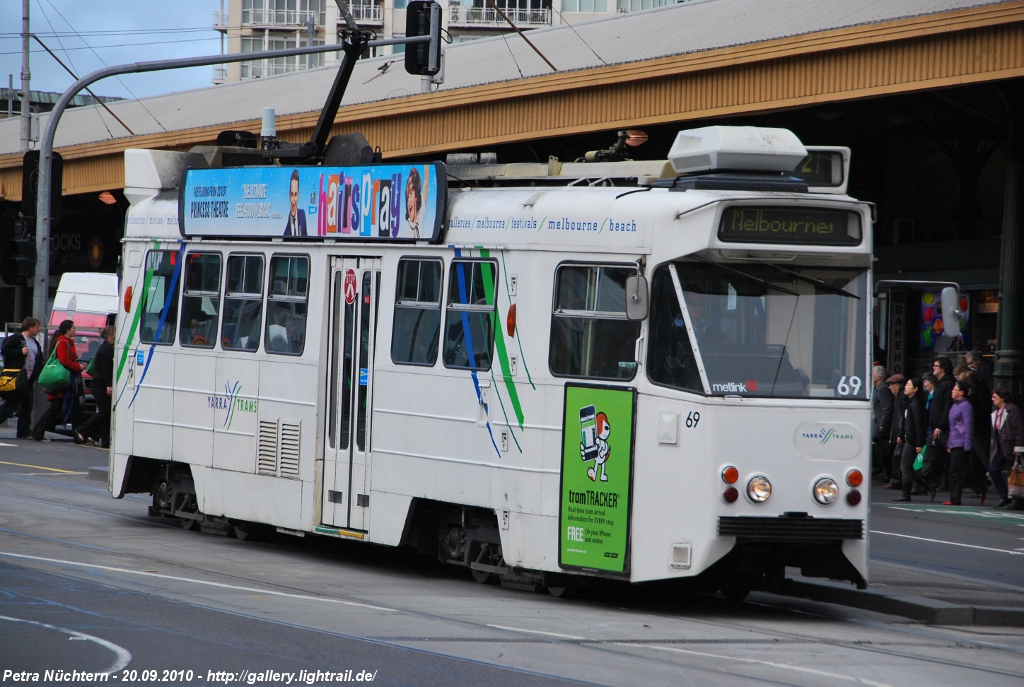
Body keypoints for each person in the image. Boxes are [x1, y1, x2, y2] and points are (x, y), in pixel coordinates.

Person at [31, 320, 86, 442]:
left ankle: (78, 435)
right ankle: (37, 432)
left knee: (70, 408)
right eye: (74, 328)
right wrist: (78, 367)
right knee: (57, 408)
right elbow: (64, 361)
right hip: (64, 381)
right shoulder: (63, 342)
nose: (75, 330)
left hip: (66, 380)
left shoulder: (65, 342)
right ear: (67, 330)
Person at [944, 380, 986, 506]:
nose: (952, 391)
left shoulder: (966, 406)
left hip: (962, 443)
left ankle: (955, 498)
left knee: (955, 471)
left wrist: (967, 445)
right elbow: (952, 427)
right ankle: (981, 487)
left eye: (955, 389)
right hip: (954, 441)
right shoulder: (955, 405)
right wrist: (949, 444)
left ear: (961, 392)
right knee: (963, 470)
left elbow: (968, 426)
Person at [0, 317, 42, 438]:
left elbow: (38, 358)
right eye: (37, 326)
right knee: (13, 403)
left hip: (28, 379)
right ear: (30, 327)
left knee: (27, 404)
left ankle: (23, 430)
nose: (38, 329)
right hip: (16, 377)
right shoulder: (16, 339)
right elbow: (5, 350)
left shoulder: (34, 342)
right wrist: (20, 352)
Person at [75, 325, 114, 448]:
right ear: (110, 336)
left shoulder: (104, 348)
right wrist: (109, 385)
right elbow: (106, 369)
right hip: (101, 384)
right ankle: (82, 431)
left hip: (99, 383)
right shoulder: (107, 349)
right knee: (105, 412)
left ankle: (104, 440)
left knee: (107, 413)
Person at [990, 388, 1024, 508]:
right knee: (993, 469)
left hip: (1010, 447)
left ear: (1002, 398)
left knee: (1014, 473)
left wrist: (1019, 447)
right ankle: (1004, 496)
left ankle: (1018, 500)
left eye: (995, 397)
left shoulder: (1012, 410)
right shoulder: (997, 411)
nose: (992, 399)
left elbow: (1018, 429)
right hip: (1000, 447)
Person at [895, 377, 927, 502]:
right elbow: (906, 422)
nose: (905, 387)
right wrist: (901, 434)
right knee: (910, 467)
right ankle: (926, 484)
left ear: (915, 389)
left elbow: (919, 425)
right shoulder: (908, 403)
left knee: (905, 466)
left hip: (913, 441)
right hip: (909, 438)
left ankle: (905, 493)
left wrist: (919, 443)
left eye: (909, 385)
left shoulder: (916, 404)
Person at [871, 365, 894, 481]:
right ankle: (884, 471)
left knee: (883, 449)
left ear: (878, 376)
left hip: (882, 424)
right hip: (878, 422)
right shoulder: (878, 388)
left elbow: (887, 407)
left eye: (873, 373)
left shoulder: (883, 388)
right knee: (878, 447)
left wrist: (883, 424)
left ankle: (888, 473)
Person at [885, 373, 906, 490]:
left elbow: (901, 416)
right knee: (896, 456)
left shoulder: (902, 397)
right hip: (897, 431)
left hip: (899, 432)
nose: (889, 387)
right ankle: (896, 479)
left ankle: (898, 480)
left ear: (897, 385)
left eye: (891, 385)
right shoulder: (898, 397)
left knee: (899, 457)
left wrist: (899, 433)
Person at [283, 169, 307, 237]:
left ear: (298, 195)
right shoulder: (286, 230)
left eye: (295, 194)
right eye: (292, 194)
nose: (293, 201)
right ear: (289, 195)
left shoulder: (302, 215)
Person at [405, 167, 423, 239]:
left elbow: (426, 180)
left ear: (416, 197)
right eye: (408, 196)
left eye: (411, 194)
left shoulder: (421, 216)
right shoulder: (407, 230)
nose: (409, 201)